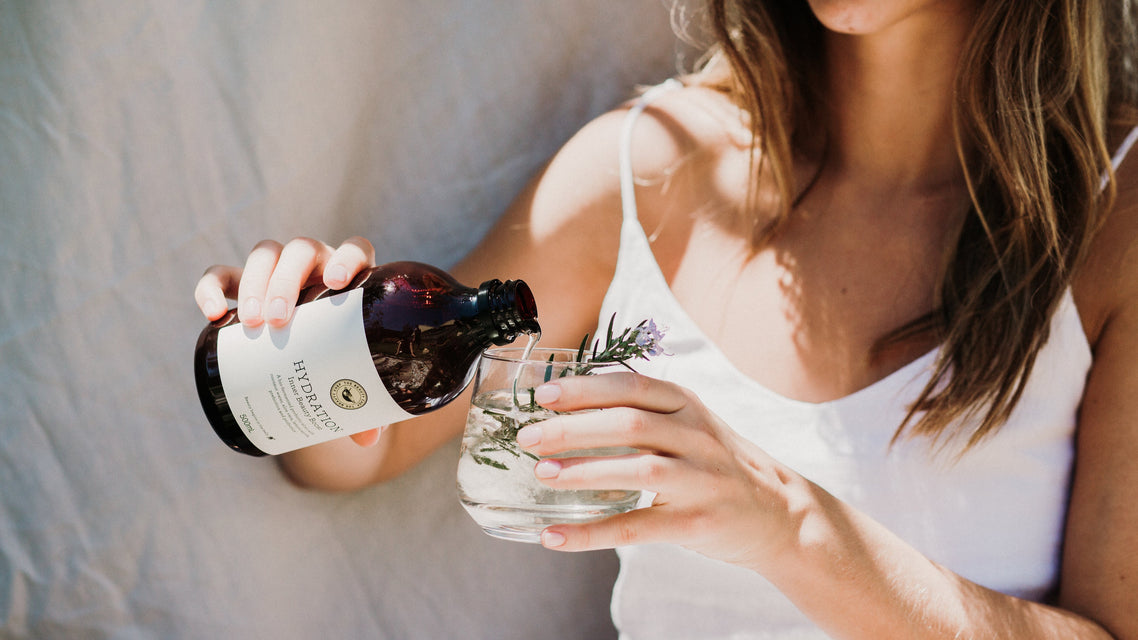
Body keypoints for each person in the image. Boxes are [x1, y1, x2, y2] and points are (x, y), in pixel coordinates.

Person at [194, 1, 1138, 637]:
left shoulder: (1120, 212)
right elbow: (353, 454)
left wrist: (788, 524)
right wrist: (306, 348)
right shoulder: (645, 172)